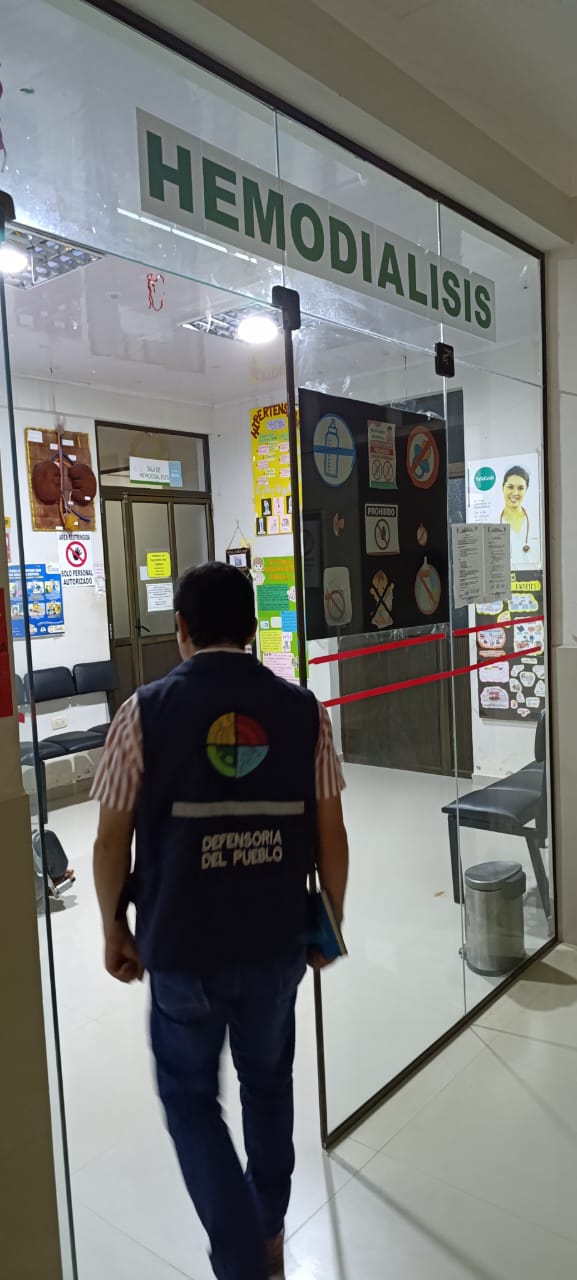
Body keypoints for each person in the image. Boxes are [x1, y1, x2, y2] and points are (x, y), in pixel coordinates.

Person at [91, 562, 349, 1280]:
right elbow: (331, 831)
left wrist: (113, 928)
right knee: (268, 1086)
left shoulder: (142, 711)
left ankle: (239, 1256)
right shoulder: (303, 711)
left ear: (181, 629)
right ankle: (266, 1233)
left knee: (189, 1099)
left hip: (181, 946)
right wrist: (329, 921)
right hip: (275, 943)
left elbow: (110, 840)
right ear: (254, 627)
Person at [500, 464, 538, 565]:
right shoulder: (492, 522)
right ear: (502, 487)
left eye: (520, 488)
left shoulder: (536, 522)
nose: (515, 493)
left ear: (526, 490)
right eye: (510, 487)